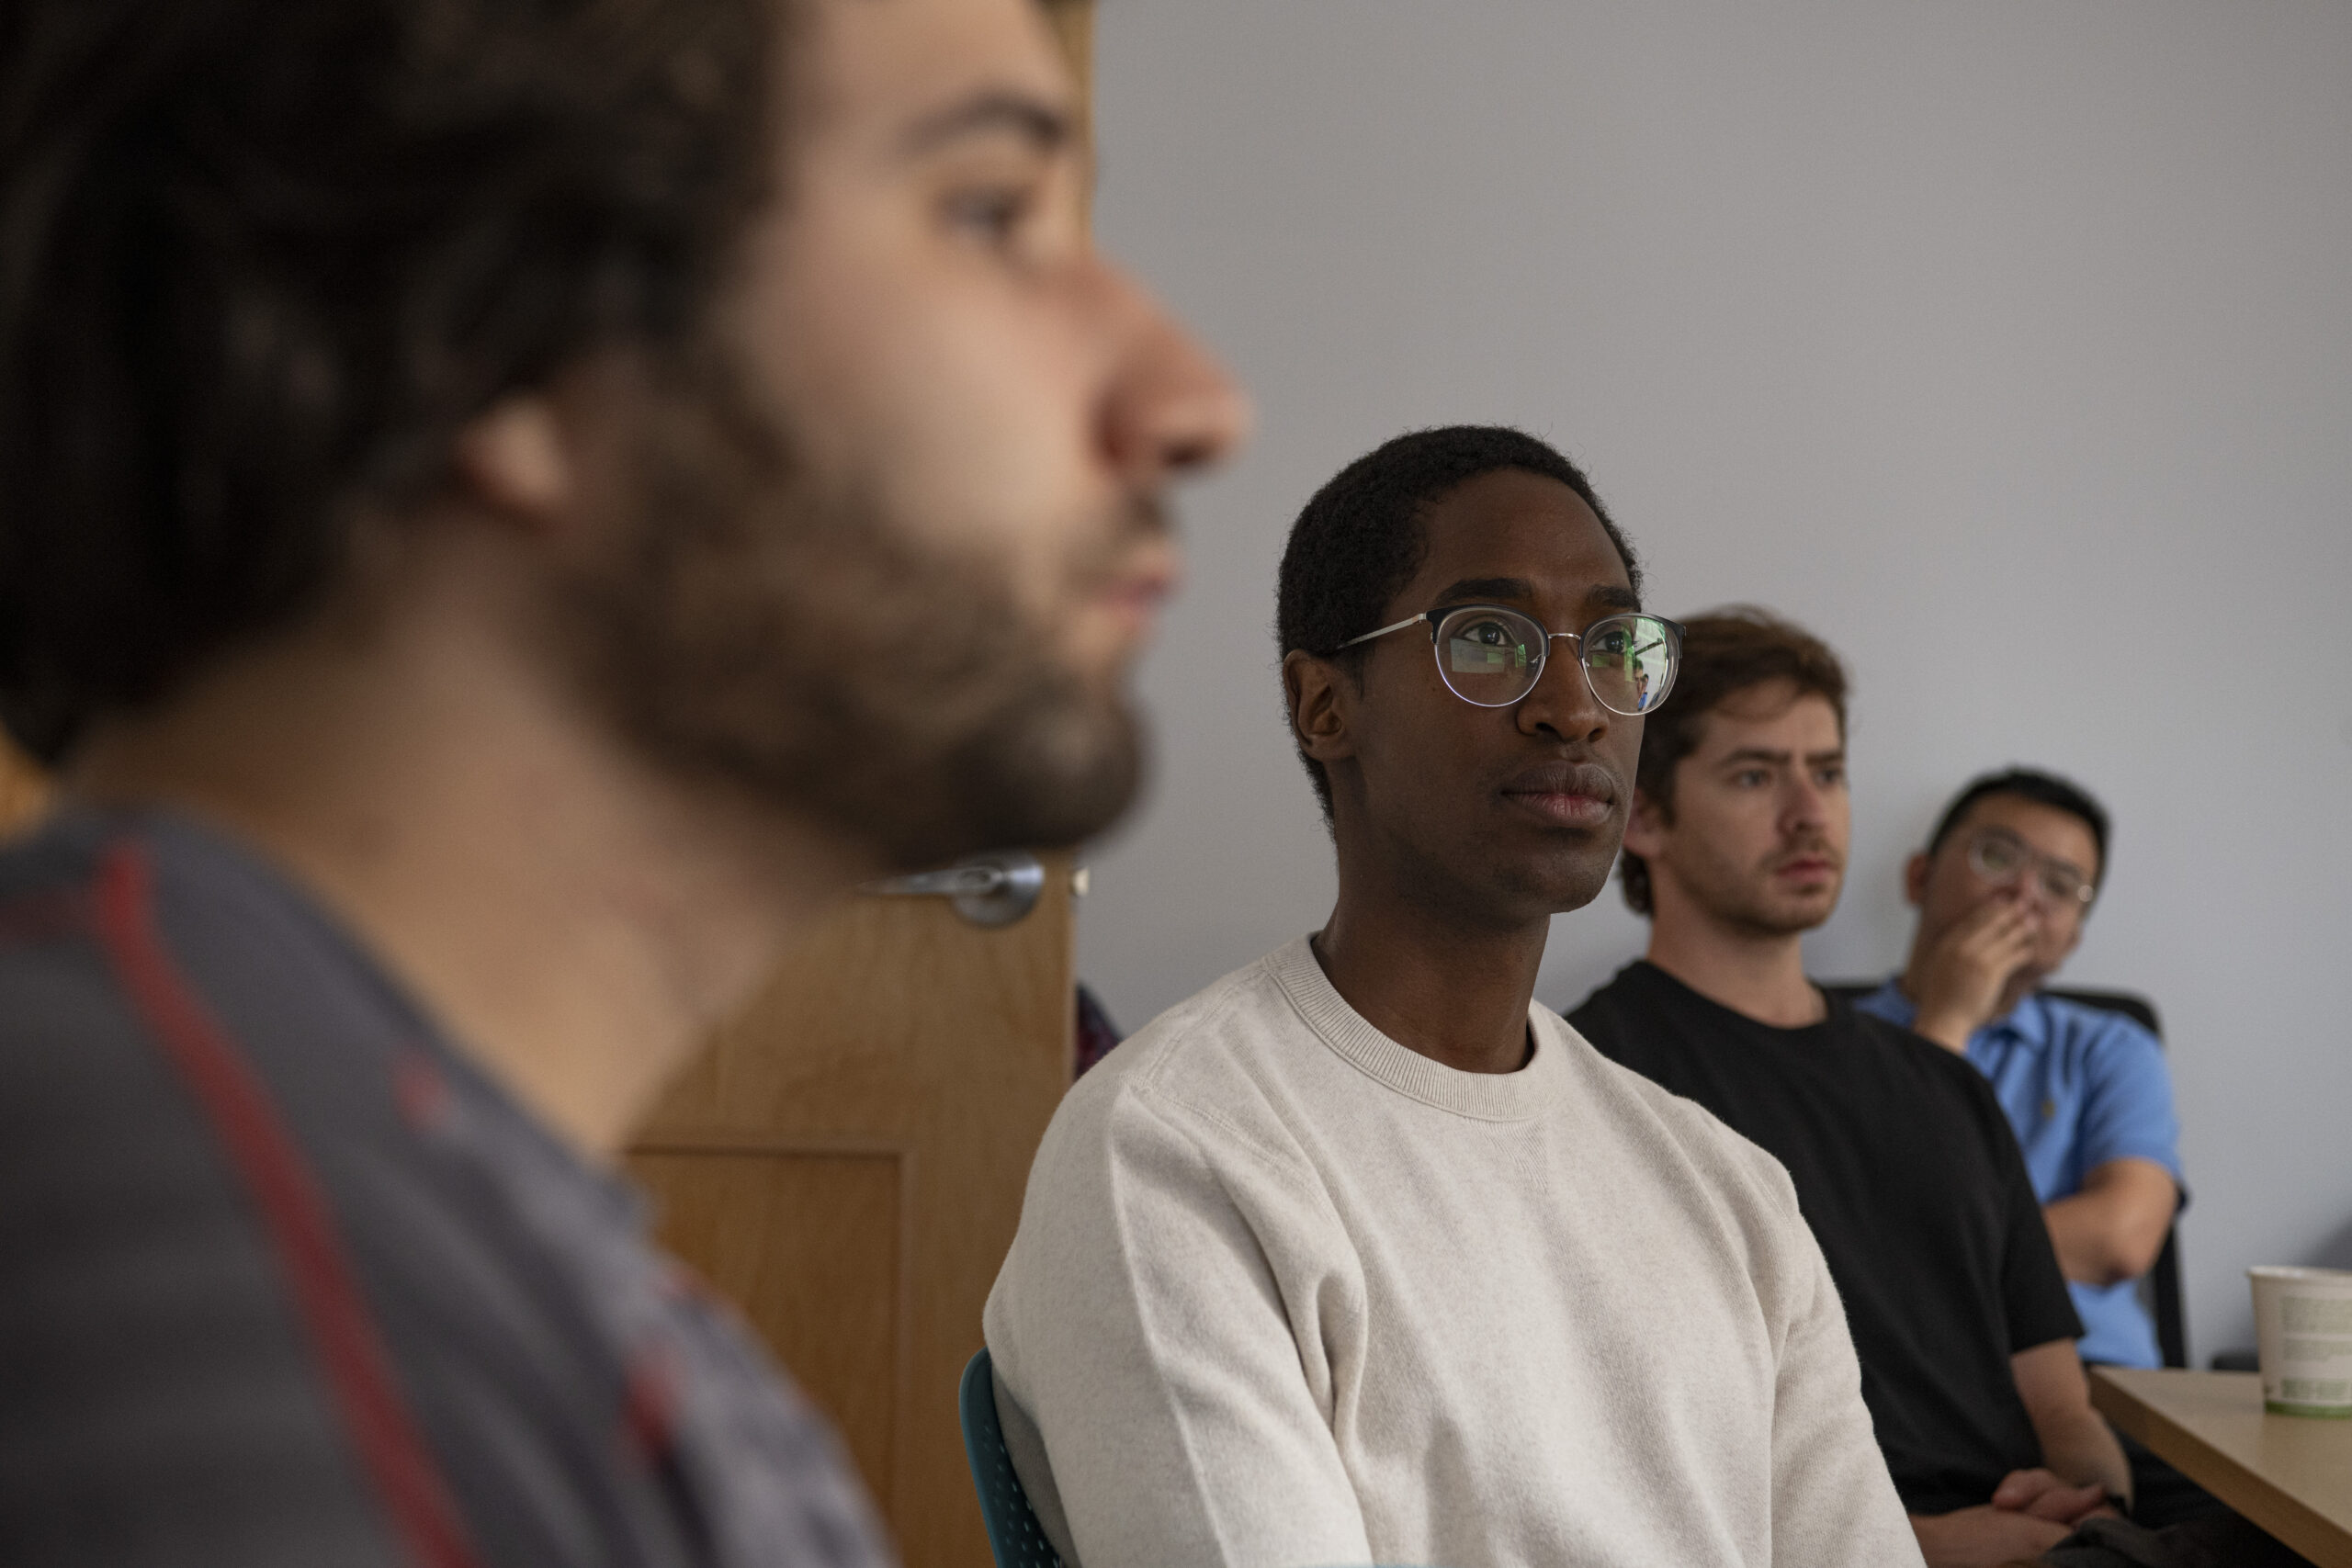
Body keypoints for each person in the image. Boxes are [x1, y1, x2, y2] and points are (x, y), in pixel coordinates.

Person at [0, 0, 1244, 1562]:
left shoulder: (458, 1229)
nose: (1196, 403)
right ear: (488, 328)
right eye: (988, 212)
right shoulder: (176, 1248)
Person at [985, 428, 1922, 1568]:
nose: (1575, 708)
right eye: (1490, 639)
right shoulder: (1175, 1149)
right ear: (1324, 706)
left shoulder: (1729, 1191)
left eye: (1614, 645)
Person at [1566, 609, 2306, 1568]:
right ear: (1644, 817)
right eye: (1755, 775)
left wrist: (2085, 1495)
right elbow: (1618, 1460)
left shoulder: (1940, 1085)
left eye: (1826, 772)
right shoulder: (1592, 1080)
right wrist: (1921, 1543)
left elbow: (2060, 1404)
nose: (1808, 813)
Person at [1852, 771, 2183, 1374]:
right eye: (1997, 855)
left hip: (2103, 1386)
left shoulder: (2111, 1047)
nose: (2024, 894)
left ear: (2073, 938)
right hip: (1907, 1389)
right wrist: (1948, 1020)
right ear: (1918, 877)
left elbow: (2123, 1238)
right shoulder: (1825, 1038)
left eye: (2060, 885)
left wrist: (1934, 1246)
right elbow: (1853, 1238)